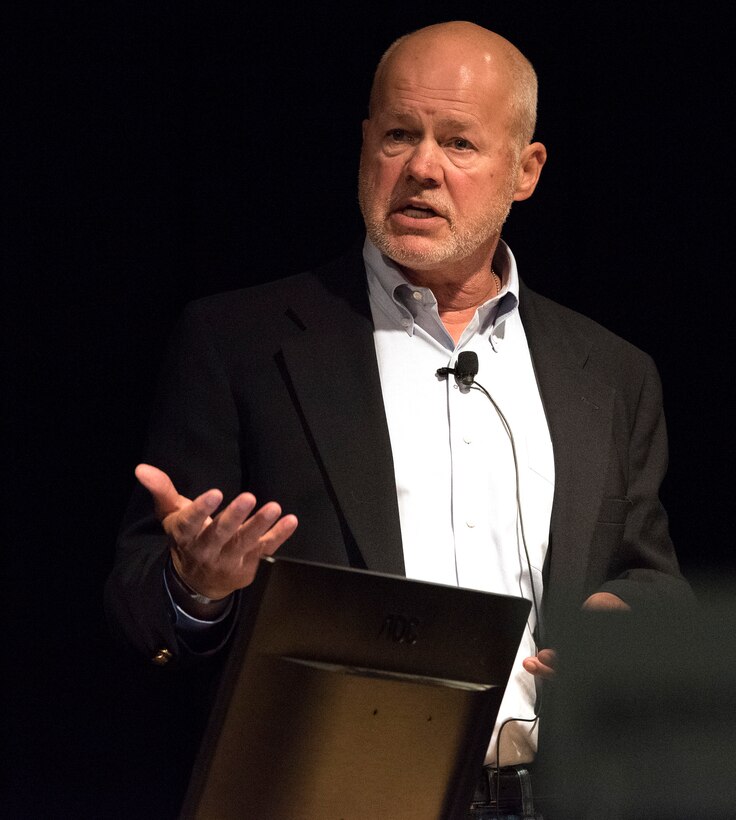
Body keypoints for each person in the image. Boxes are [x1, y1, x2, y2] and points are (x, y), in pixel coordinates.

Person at [106, 20, 692, 818]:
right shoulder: (241, 343)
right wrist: (198, 588)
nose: (420, 168)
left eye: (458, 142)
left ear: (526, 170)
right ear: (363, 146)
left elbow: (650, 576)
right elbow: (143, 601)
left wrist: (622, 619)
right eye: (397, 135)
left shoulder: (612, 374)